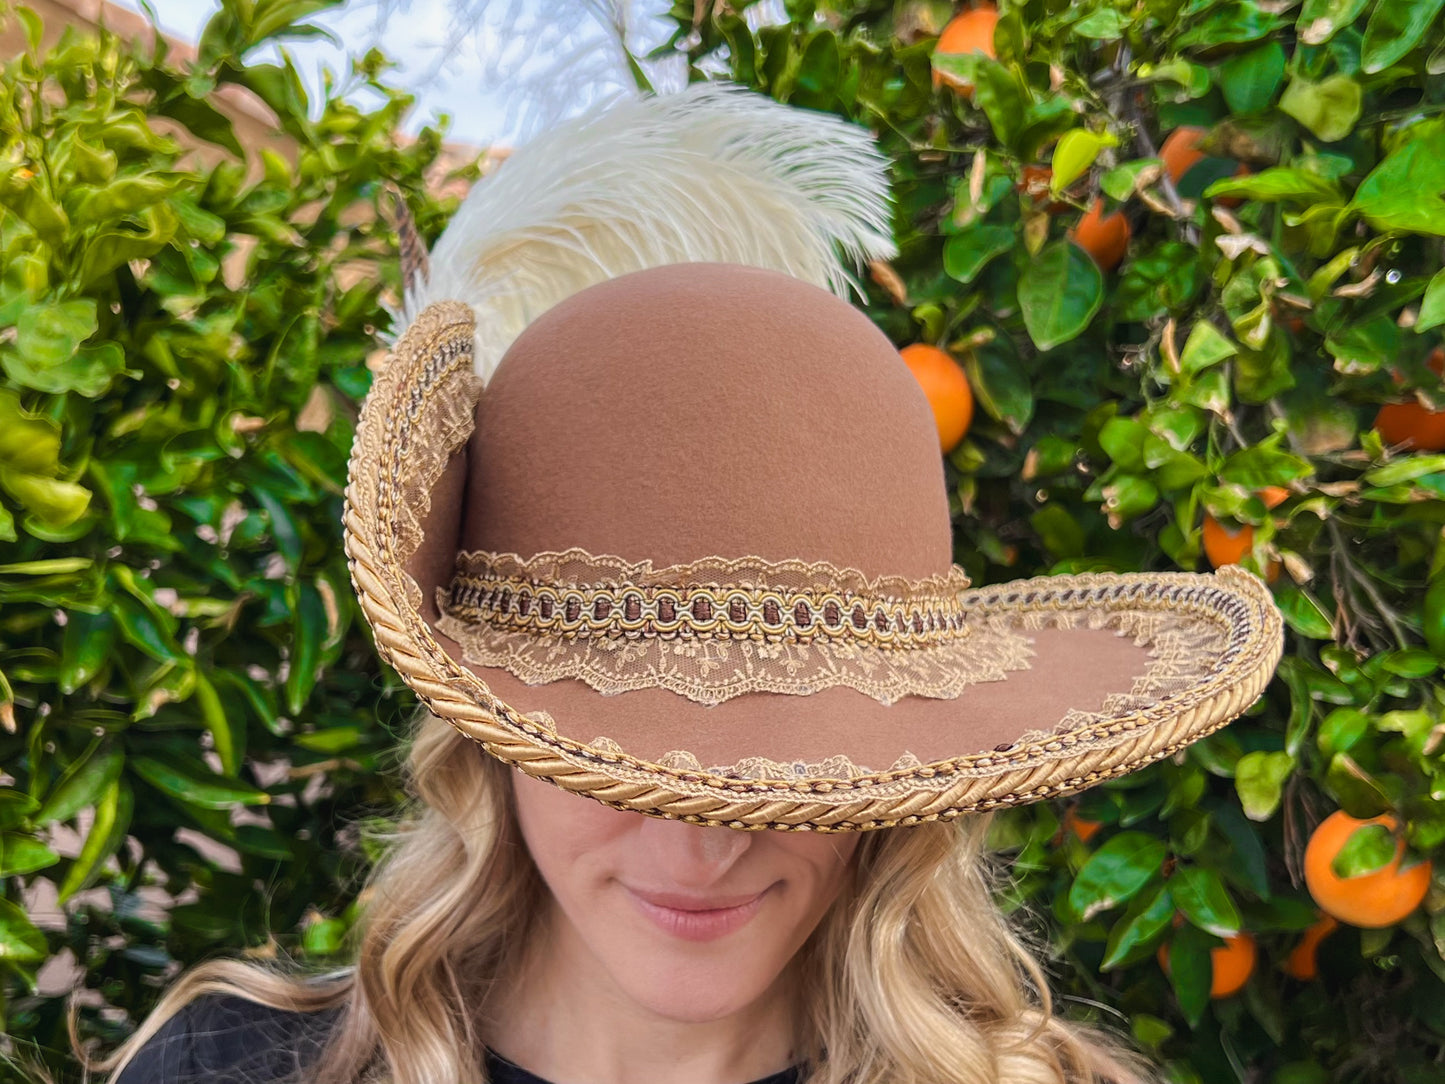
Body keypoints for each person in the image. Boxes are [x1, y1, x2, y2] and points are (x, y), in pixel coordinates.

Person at [88, 81, 1283, 1084]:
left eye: (792, 750)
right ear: (490, 732)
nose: (699, 844)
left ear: (900, 779)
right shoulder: (227, 1068)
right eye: (616, 750)